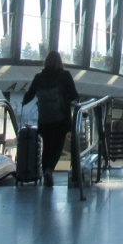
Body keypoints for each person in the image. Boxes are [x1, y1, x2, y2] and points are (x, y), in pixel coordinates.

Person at [21, 51, 78, 186]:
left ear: (46, 62)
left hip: (45, 118)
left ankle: (45, 171)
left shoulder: (39, 77)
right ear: (59, 61)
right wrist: (66, 100)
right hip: (61, 118)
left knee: (46, 146)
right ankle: (49, 170)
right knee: (57, 146)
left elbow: (30, 94)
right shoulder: (65, 75)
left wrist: (24, 101)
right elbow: (74, 94)